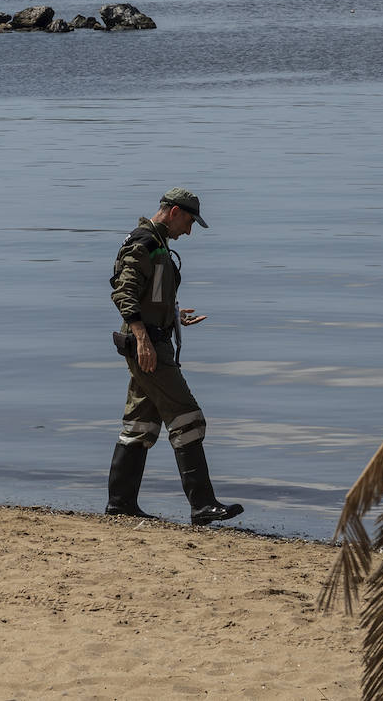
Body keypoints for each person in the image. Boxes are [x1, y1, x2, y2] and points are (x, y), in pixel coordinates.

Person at [106, 187, 244, 525]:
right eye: (189, 221)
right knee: (187, 417)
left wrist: (173, 314)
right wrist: (142, 338)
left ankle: (121, 504)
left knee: (140, 423)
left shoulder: (157, 243)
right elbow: (122, 292)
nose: (190, 230)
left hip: (152, 341)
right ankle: (203, 504)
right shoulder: (145, 243)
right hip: (148, 347)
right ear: (173, 212)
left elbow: (146, 294)